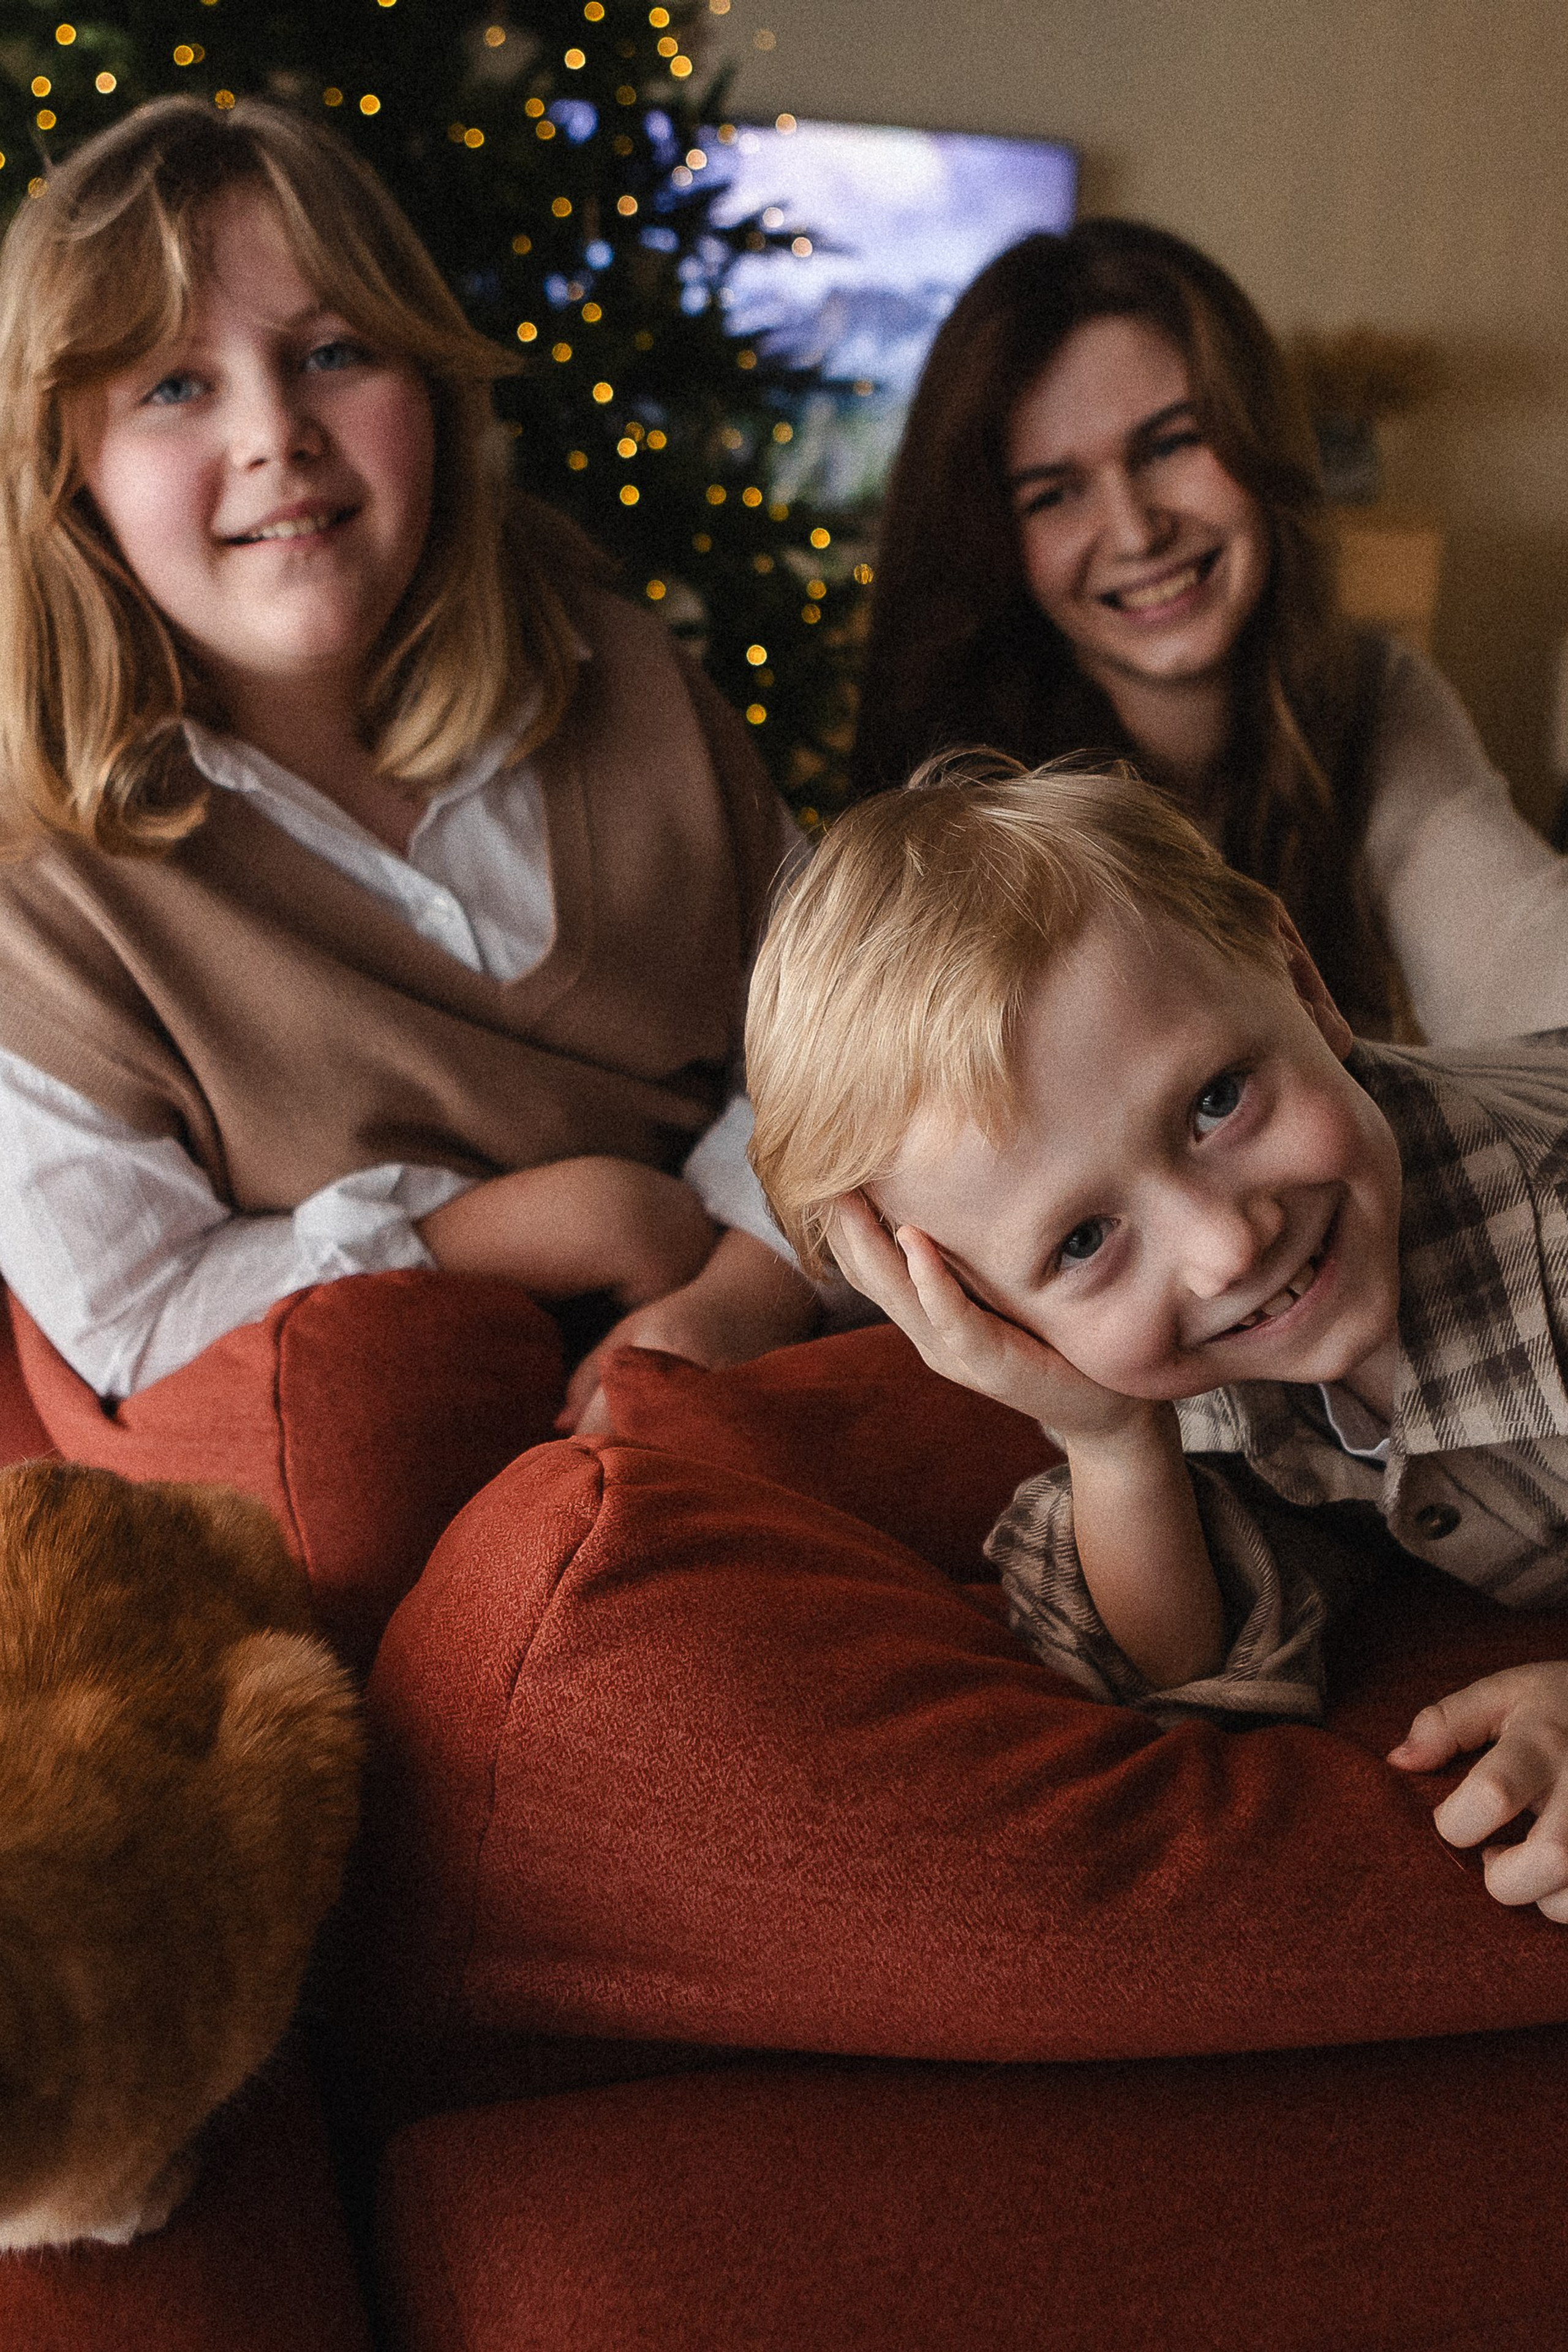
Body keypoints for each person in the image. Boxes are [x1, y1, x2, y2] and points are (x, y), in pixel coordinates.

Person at [0, 97, 821, 1428]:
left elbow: (863, 1029)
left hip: (773, 1356)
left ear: (430, 395)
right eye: (172, 385)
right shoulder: (35, 890)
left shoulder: (626, 679)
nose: (275, 433)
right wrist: (537, 1225)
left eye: (332, 352)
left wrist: (735, 1294)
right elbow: (134, 1312)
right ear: (67, 474)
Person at [745, 756, 1568, 1921]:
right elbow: (1186, 1674)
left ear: (1304, 980)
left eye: (1217, 1100)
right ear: (982, 1309)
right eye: (1081, 1242)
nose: (1225, 1246)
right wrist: (1112, 1440)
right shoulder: (1169, 1364)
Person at [853, 218, 1568, 1045]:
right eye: (1054, 493)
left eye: (1171, 445)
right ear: (994, 545)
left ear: (1258, 435)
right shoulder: (964, 799)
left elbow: (1513, 937)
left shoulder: (1369, 688)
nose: (1134, 532)